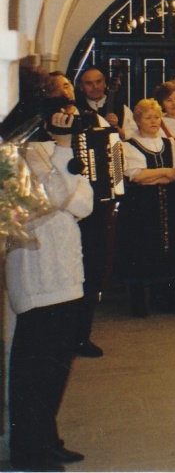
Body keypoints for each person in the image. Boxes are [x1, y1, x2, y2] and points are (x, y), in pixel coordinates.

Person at [3, 67, 91, 471]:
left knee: (57, 364)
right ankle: (28, 449)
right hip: (36, 274)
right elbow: (49, 201)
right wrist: (63, 151)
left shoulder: (48, 148)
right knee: (34, 368)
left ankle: (47, 439)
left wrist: (61, 171)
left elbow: (82, 201)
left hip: (65, 270)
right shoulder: (15, 148)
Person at [52, 71, 119, 358]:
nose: (64, 90)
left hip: (95, 209)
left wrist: (115, 181)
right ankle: (60, 336)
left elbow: (114, 146)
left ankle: (81, 336)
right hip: (60, 212)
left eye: (66, 84)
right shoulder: (44, 125)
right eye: (58, 87)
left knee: (91, 271)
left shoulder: (92, 119)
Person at [116, 99, 175, 316]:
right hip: (141, 206)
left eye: (156, 117)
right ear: (138, 121)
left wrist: (155, 176)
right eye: (148, 117)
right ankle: (138, 302)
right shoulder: (129, 145)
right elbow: (137, 176)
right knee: (141, 248)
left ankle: (163, 297)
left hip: (167, 204)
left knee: (166, 247)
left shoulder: (170, 143)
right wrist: (165, 173)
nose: (154, 121)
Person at [76, 65, 136, 138]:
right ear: (81, 87)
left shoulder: (121, 108)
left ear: (104, 83)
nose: (95, 87)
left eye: (98, 82)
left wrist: (116, 127)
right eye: (89, 83)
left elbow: (133, 136)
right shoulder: (77, 109)